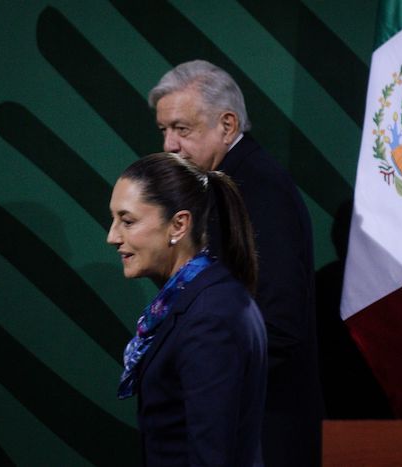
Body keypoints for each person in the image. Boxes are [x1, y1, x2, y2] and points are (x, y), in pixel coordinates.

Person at [149, 60, 322, 467]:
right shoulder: (223, 187)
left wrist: (203, 382)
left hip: (264, 433)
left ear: (227, 126)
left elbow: (278, 323)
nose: (169, 145)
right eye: (164, 131)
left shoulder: (256, 190)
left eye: (182, 129)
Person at [107, 153, 267, 466]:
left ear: (179, 224)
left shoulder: (211, 315)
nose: (112, 236)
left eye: (127, 221)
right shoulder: (202, 299)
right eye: (114, 221)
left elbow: (210, 455)